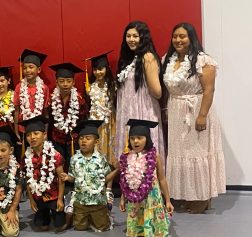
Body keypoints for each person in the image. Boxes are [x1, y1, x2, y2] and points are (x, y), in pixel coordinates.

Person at [161, 22, 226, 213]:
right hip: (176, 111)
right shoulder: (168, 59)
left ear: (191, 38)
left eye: (183, 36)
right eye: (175, 36)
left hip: (196, 109)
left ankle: (203, 197)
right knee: (182, 154)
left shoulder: (204, 61)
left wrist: (202, 116)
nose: (178, 40)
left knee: (197, 153)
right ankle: (190, 195)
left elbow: (209, 90)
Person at [115, 21, 165, 162]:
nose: (131, 39)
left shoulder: (147, 57)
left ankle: (148, 180)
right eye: (128, 36)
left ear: (143, 38)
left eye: (135, 36)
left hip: (143, 110)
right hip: (128, 111)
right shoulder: (128, 59)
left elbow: (157, 92)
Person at [60, 120, 118, 232]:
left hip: (98, 201)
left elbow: (106, 178)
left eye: (88, 138)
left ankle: (103, 215)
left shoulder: (101, 159)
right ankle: (78, 215)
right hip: (81, 201)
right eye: (81, 138)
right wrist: (68, 178)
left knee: (102, 227)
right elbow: (73, 178)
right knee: (79, 227)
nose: (83, 141)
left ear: (96, 141)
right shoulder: (74, 159)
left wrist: (117, 170)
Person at [119, 119, 173, 237]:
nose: (135, 141)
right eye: (132, 138)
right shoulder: (127, 157)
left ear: (147, 139)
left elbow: (162, 179)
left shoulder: (154, 156)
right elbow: (124, 182)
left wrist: (168, 201)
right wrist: (123, 199)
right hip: (135, 200)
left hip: (152, 198)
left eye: (139, 137)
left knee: (152, 224)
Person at [19, 115, 66, 232]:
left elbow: (61, 178)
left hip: (54, 195)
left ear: (44, 135)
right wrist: (31, 199)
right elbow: (28, 180)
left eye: (36, 133)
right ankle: (44, 215)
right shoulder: (26, 157)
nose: (32, 137)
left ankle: (68, 214)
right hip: (38, 196)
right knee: (42, 227)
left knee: (60, 226)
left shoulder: (55, 155)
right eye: (29, 135)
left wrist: (60, 199)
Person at [85, 51, 118, 209]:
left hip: (110, 126)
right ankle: (97, 189)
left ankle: (109, 189)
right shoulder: (90, 88)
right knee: (97, 158)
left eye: (101, 69)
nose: (98, 72)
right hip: (95, 127)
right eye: (96, 69)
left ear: (107, 69)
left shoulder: (113, 86)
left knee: (109, 157)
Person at [48, 62, 87, 172]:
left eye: (69, 81)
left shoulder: (79, 100)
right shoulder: (52, 100)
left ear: (73, 82)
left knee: (73, 166)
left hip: (73, 138)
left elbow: (83, 120)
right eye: (61, 81)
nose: (65, 84)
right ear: (56, 82)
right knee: (58, 164)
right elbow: (50, 120)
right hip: (57, 137)